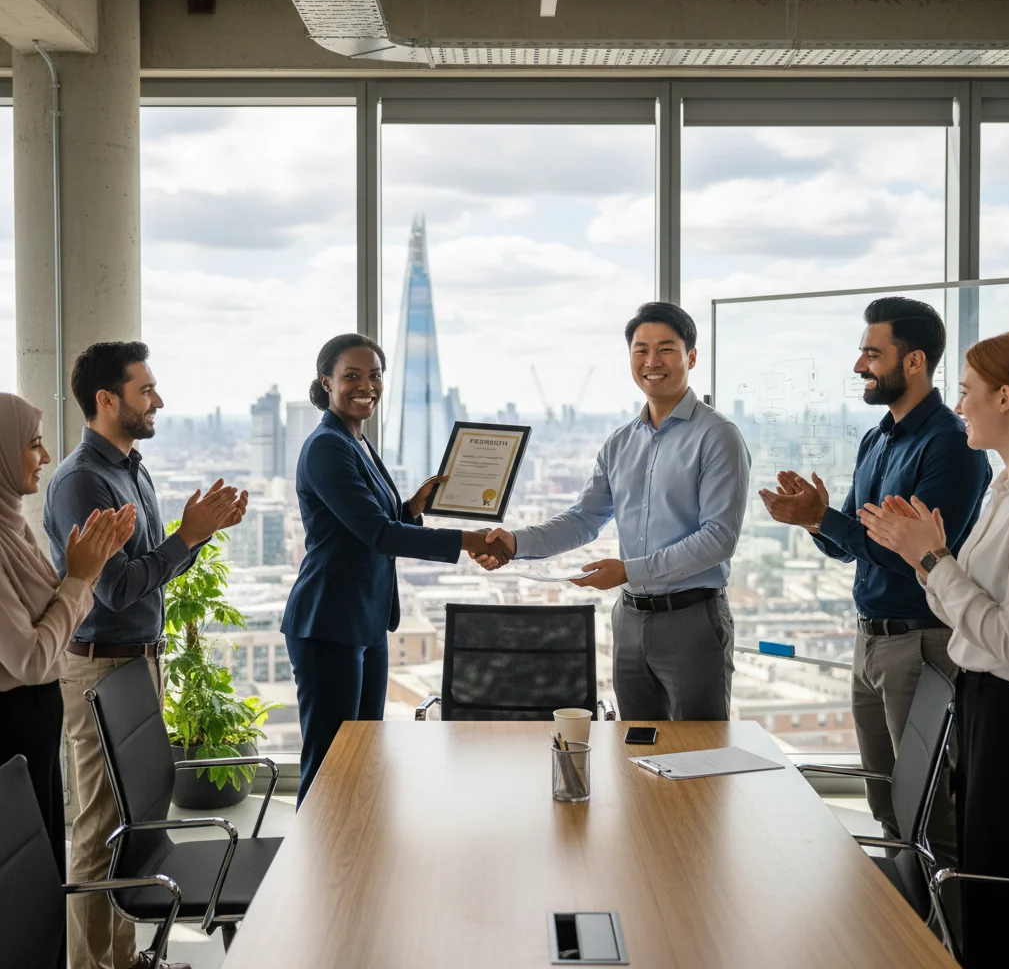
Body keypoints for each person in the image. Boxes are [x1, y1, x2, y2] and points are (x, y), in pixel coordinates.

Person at [759, 297, 991, 863]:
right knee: (885, 802)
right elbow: (857, 545)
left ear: (913, 362)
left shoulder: (952, 445)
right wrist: (815, 518)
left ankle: (948, 942)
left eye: (871, 353)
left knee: (931, 812)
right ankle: (901, 929)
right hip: (870, 643)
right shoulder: (877, 438)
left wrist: (826, 519)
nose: (860, 366)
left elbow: (910, 553)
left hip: (922, 642)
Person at [44, 342, 248, 969]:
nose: (158, 400)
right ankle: (90, 965)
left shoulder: (131, 467)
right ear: (107, 400)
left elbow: (146, 573)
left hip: (136, 659)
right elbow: (118, 585)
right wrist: (190, 535)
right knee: (100, 828)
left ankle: (124, 957)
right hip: (101, 666)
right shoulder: (83, 479)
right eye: (145, 391)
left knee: (133, 821)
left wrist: (192, 535)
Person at [477, 302, 750, 721]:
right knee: (637, 750)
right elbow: (584, 519)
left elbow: (719, 538)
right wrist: (517, 542)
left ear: (691, 357)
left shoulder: (718, 437)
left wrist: (628, 570)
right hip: (629, 620)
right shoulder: (620, 443)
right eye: (641, 351)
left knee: (701, 755)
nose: (652, 362)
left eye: (666, 350)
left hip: (693, 620)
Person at [281, 333, 511, 805]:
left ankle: (354, 864)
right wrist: (470, 540)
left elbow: (374, 526)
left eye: (374, 375)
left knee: (363, 752)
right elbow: (377, 535)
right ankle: (307, 872)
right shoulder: (327, 445)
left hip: (364, 620)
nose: (366, 385)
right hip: (328, 622)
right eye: (352, 376)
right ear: (326, 382)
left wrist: (410, 507)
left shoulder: (355, 440)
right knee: (329, 763)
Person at [856, 331, 1009, 968]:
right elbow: (957, 605)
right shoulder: (1004, 491)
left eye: (968, 393)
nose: (960, 407)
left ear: (1005, 397)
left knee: (996, 870)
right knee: (983, 862)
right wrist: (928, 560)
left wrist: (929, 557)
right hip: (982, 697)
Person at [0, 393, 134, 969]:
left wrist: (84, 573)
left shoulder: (13, 526)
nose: (44, 455)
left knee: (47, 861)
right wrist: (82, 579)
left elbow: (61, 611)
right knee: (23, 883)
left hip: (35, 715)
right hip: (11, 725)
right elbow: (30, 656)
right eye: (31, 444)